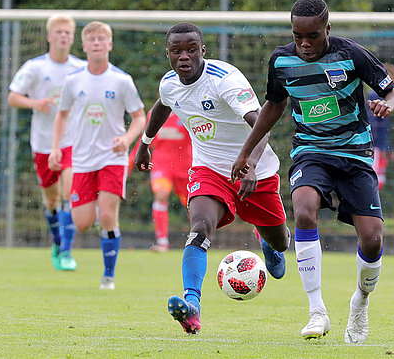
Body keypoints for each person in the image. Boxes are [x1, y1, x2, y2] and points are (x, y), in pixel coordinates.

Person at [231, 0, 394, 343]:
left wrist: (387, 105)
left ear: (328, 29)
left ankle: (360, 302)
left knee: (372, 241)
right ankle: (317, 311)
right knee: (305, 212)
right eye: (298, 36)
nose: (305, 44)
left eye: (312, 36)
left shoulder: (351, 54)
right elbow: (273, 106)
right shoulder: (281, 61)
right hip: (311, 152)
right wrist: (246, 153)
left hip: (355, 156)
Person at [134, 22, 290, 335]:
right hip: (208, 170)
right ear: (168, 54)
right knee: (199, 228)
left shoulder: (225, 80)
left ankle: (267, 239)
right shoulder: (169, 84)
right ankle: (192, 306)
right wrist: (145, 144)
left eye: (191, 49)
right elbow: (162, 107)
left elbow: (261, 123)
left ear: (203, 50)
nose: (184, 57)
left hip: (254, 169)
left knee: (281, 241)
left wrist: (252, 164)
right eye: (176, 51)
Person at [48, 21, 146, 290]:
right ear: (84, 45)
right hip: (81, 160)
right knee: (82, 223)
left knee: (107, 216)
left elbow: (139, 117)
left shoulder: (122, 81)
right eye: (91, 39)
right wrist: (56, 147)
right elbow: (62, 116)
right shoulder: (73, 80)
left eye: (102, 38)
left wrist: (126, 139)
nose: (97, 43)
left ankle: (108, 276)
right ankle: (75, 243)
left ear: (110, 44)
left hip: (112, 159)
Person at [8, 14, 86, 271]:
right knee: (51, 201)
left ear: (73, 38)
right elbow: (13, 97)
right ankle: (56, 241)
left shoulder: (81, 68)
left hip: (71, 141)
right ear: (49, 36)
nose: (64, 36)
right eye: (59, 32)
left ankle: (66, 251)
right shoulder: (35, 67)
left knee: (69, 191)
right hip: (42, 143)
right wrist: (36, 103)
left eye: (68, 32)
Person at [129, 110, 192, 252]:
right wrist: (131, 161)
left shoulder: (186, 109)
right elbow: (146, 137)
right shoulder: (155, 112)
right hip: (162, 164)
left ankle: (199, 238)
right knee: (161, 195)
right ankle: (162, 242)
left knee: (191, 204)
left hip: (185, 165)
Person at [366, 64, 394, 191]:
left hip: (377, 146)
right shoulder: (376, 96)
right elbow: (375, 124)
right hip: (374, 147)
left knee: (377, 181)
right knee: (375, 181)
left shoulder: (379, 96)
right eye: (393, 77)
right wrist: (384, 147)